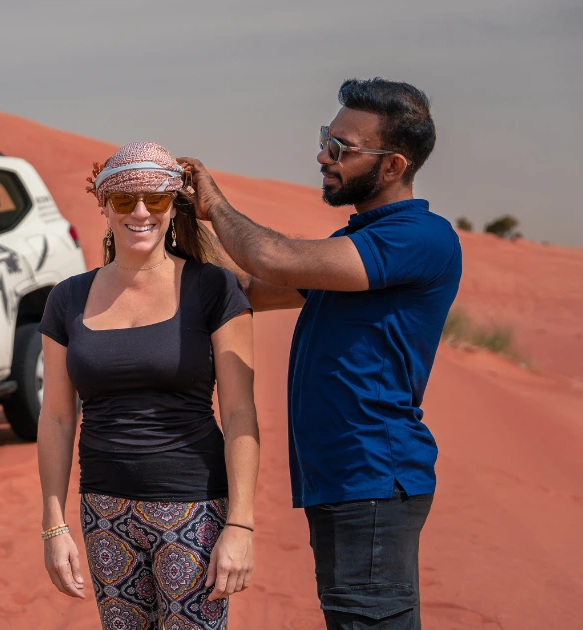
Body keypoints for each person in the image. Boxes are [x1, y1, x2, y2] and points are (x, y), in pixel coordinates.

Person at [177, 78, 462, 629]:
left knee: (367, 619)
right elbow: (254, 287)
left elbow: (273, 258)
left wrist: (216, 205)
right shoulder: (360, 250)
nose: (322, 156)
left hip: (375, 475)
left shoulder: (418, 238)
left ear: (394, 166)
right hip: (342, 479)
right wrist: (183, 221)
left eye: (340, 148)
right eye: (325, 139)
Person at [37, 141, 260, 630]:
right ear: (104, 206)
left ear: (173, 205)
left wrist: (240, 524)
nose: (140, 212)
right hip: (103, 509)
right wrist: (54, 526)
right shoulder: (67, 299)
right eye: (124, 200)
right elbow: (55, 415)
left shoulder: (213, 288)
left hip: (194, 509)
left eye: (155, 200)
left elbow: (240, 412)